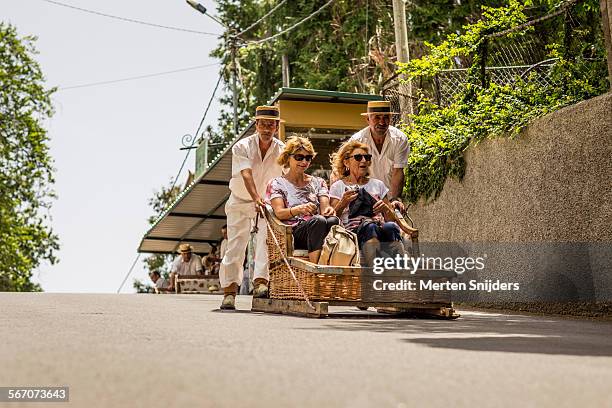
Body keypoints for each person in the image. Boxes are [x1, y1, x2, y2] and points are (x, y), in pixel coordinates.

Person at [219, 106, 285, 310]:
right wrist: (256, 198)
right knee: (236, 245)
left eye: (271, 124)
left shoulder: (282, 149)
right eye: (263, 124)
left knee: (266, 242)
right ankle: (229, 292)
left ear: (276, 127)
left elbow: (286, 177)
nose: (267, 128)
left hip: (266, 202)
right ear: (256, 125)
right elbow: (246, 173)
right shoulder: (242, 146)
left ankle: (261, 284)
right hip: (241, 200)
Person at [329, 140, 404, 266]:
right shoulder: (338, 186)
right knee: (370, 226)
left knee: (390, 227)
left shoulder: (378, 184)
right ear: (346, 162)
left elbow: (391, 219)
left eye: (367, 157)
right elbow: (332, 218)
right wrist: (343, 202)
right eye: (358, 157)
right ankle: (374, 272)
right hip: (353, 233)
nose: (364, 160)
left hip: (380, 228)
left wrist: (385, 209)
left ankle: (399, 270)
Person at [266, 136, 338, 264]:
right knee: (318, 220)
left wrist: (329, 210)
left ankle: (332, 264)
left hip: (318, 228)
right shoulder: (277, 183)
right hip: (293, 233)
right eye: (299, 157)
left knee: (332, 220)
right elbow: (279, 213)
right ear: (288, 158)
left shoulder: (318, 182)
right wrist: (298, 209)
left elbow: (325, 208)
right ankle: (317, 268)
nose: (304, 161)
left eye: (308, 158)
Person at [346, 100, 410, 211]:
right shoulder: (357, 140)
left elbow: (398, 172)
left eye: (386, 117)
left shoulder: (400, 139)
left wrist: (394, 199)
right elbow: (350, 171)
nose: (382, 122)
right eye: (377, 117)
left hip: (388, 198)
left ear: (390, 119)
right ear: (367, 119)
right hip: (362, 197)